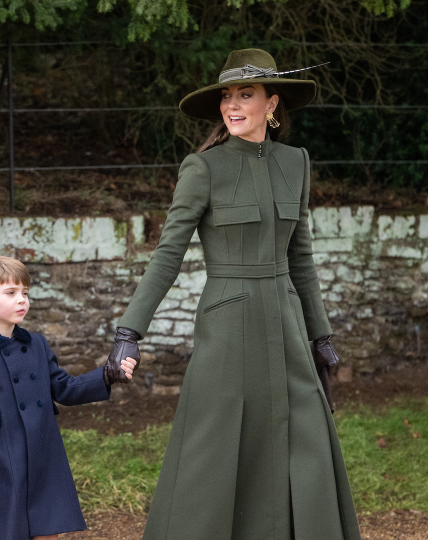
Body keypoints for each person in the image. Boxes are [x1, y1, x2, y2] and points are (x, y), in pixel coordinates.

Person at [107, 49, 361, 540]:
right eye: (227, 96)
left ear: (273, 104)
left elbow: (301, 257)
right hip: (228, 327)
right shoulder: (202, 168)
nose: (233, 105)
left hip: (287, 324)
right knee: (214, 450)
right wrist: (128, 331)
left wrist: (320, 337)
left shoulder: (296, 162)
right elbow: (168, 254)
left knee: (302, 441)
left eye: (247, 94)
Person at [0, 255, 136, 540]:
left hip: (43, 457)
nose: (22, 299)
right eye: (10, 293)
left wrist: (107, 374)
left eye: (25, 293)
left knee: (47, 531)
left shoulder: (36, 344)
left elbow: (64, 388)